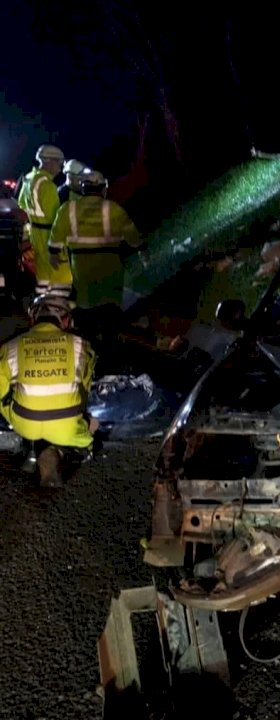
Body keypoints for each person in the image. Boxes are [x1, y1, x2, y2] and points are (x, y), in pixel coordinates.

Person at [0, 295, 96, 487]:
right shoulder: (81, 346)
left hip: (24, 424)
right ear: (66, 320)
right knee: (93, 422)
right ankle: (64, 450)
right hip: (68, 428)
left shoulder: (10, 347)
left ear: (33, 319)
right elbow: (85, 390)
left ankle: (35, 445)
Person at [48, 169, 142, 309]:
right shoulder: (114, 208)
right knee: (111, 303)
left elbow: (56, 236)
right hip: (110, 264)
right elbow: (132, 235)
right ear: (103, 188)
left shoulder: (67, 208)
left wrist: (53, 254)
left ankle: (89, 327)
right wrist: (141, 249)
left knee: (86, 302)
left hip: (81, 266)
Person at [17, 144, 74, 300]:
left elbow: (21, 207)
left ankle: (43, 305)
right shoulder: (48, 185)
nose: (60, 169)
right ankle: (59, 309)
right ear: (49, 162)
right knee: (62, 277)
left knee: (43, 277)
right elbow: (57, 218)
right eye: (59, 164)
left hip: (36, 236)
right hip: (50, 237)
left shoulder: (29, 179)